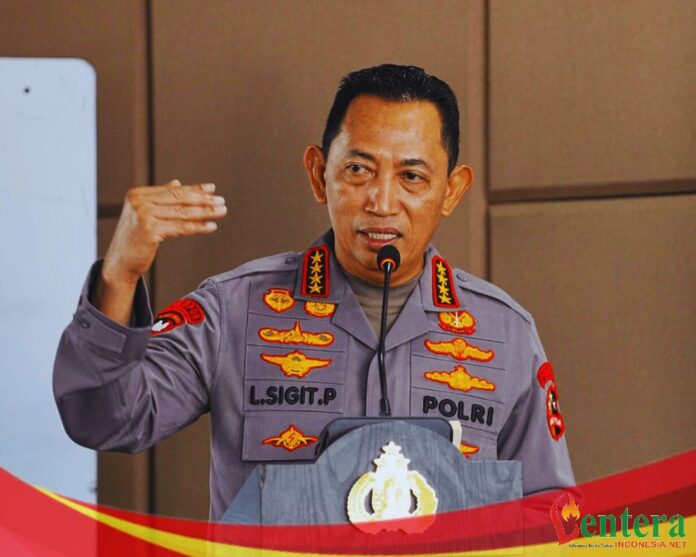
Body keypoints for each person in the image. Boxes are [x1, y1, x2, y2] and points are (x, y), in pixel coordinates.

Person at [53, 64, 574, 521]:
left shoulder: (505, 332)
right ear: (319, 174)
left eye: (412, 176)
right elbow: (102, 419)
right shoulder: (233, 311)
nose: (381, 202)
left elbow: (550, 513)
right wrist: (120, 274)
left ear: (451, 191)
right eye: (358, 170)